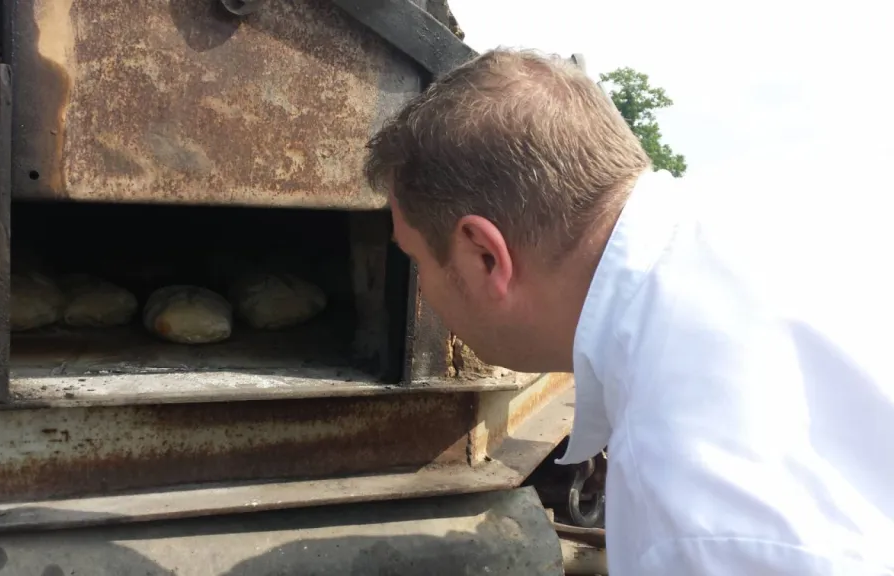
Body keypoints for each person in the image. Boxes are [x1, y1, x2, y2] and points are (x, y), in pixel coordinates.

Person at [363, 48, 894, 575]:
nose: (423, 289)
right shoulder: (778, 220)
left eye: (414, 258)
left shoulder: (692, 511)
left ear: (485, 256)